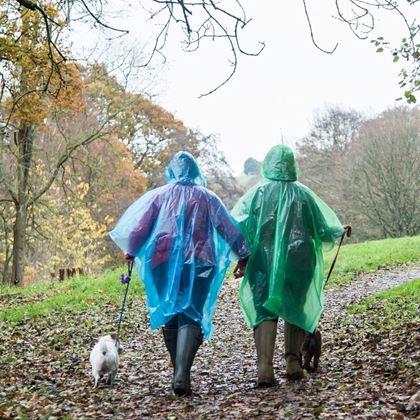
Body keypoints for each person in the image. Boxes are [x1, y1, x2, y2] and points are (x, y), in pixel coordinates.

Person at [109, 151, 249, 396]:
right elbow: (228, 228)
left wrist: (132, 249)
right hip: (200, 263)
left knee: (170, 312)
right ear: (196, 171)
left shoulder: (160, 197)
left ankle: (178, 371)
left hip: (161, 262)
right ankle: (182, 372)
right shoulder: (207, 197)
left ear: (171, 170)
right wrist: (243, 254)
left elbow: (142, 227)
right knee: (191, 314)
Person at [231, 145, 345, 385]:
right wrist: (338, 231)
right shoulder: (304, 194)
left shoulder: (256, 194)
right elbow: (324, 229)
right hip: (299, 260)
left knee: (265, 310)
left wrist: (242, 257)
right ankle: (293, 363)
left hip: (262, 261)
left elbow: (237, 226)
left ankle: (265, 370)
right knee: (295, 306)